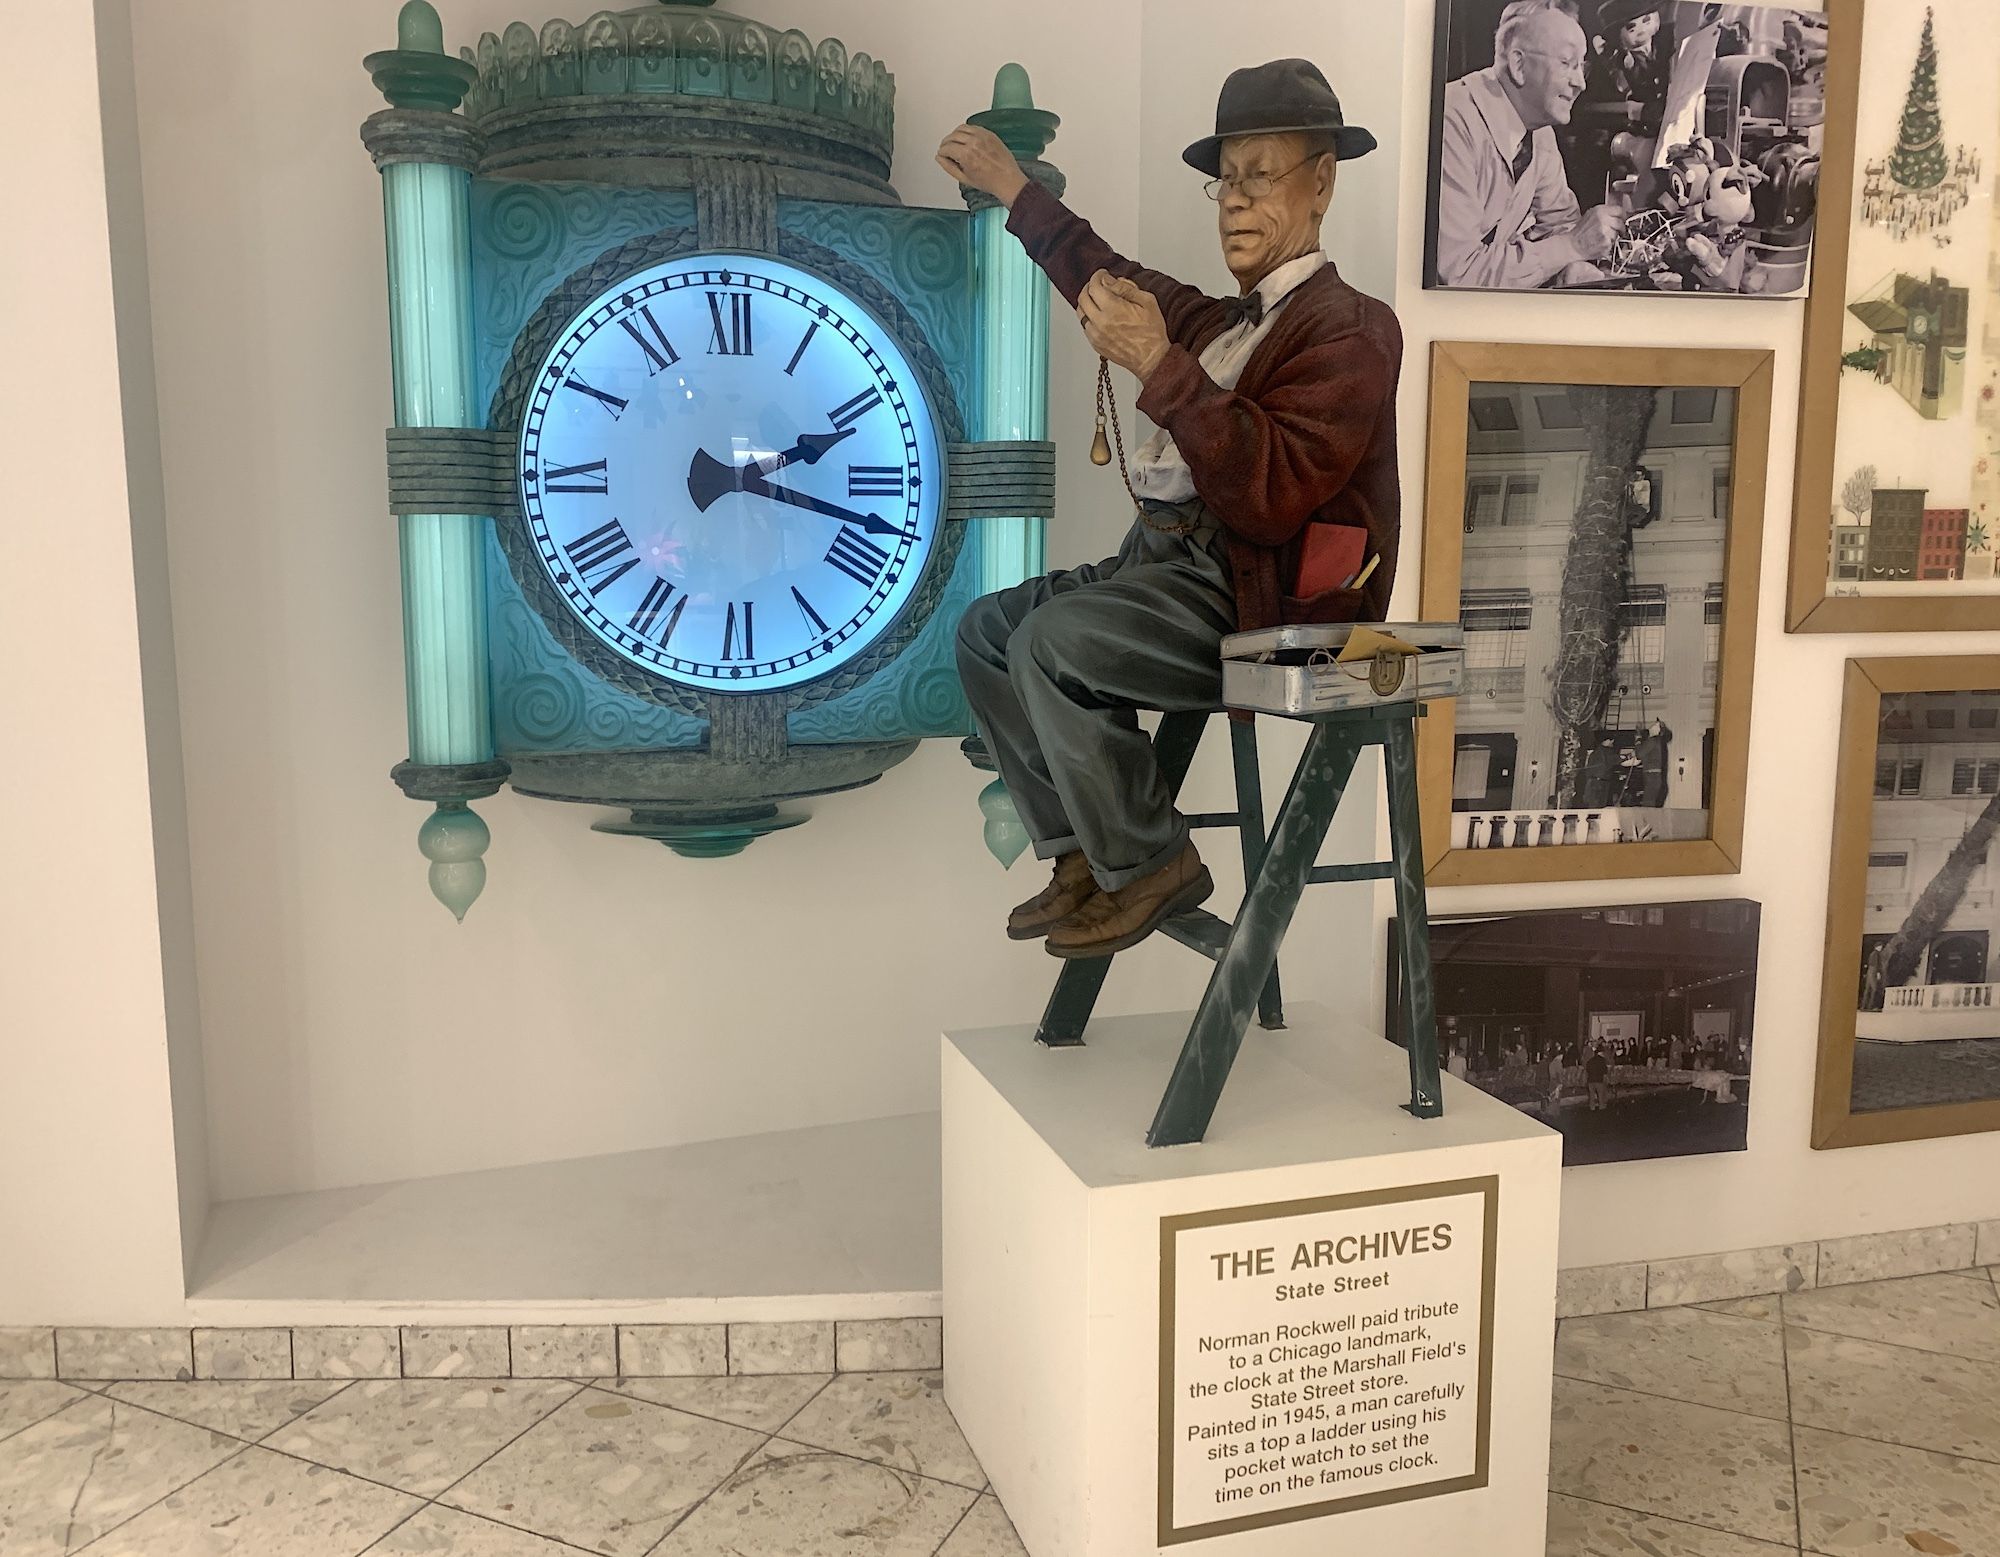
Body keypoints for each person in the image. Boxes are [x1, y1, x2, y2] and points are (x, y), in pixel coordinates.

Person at [939, 60, 1401, 958]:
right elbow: (1108, 275)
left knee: (1052, 641)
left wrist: (1158, 366)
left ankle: (1152, 861)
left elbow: (1271, 494)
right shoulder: (1229, 323)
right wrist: (1014, 191)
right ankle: (1084, 853)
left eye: (1259, 175)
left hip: (1259, 599)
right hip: (1166, 565)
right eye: (1224, 180)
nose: (1234, 201)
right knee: (987, 631)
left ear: (1322, 182)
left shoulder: (1352, 329)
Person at [1433, 0, 1623, 288]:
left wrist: (1572, 268)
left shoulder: (1538, 131)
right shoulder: (1451, 122)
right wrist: (1572, 247)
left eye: (1581, 67)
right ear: (1519, 64)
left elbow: (1559, 224)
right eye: (1566, 64)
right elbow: (1459, 274)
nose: (1580, 84)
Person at [1585, 1044, 1611, 1110]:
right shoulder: (1602, 1060)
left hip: (1590, 1080)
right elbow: (1605, 1070)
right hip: (1599, 1080)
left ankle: (1592, 1107)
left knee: (1591, 1095)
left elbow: (1587, 1069)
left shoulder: (1590, 1061)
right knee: (1600, 1094)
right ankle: (1601, 1106)